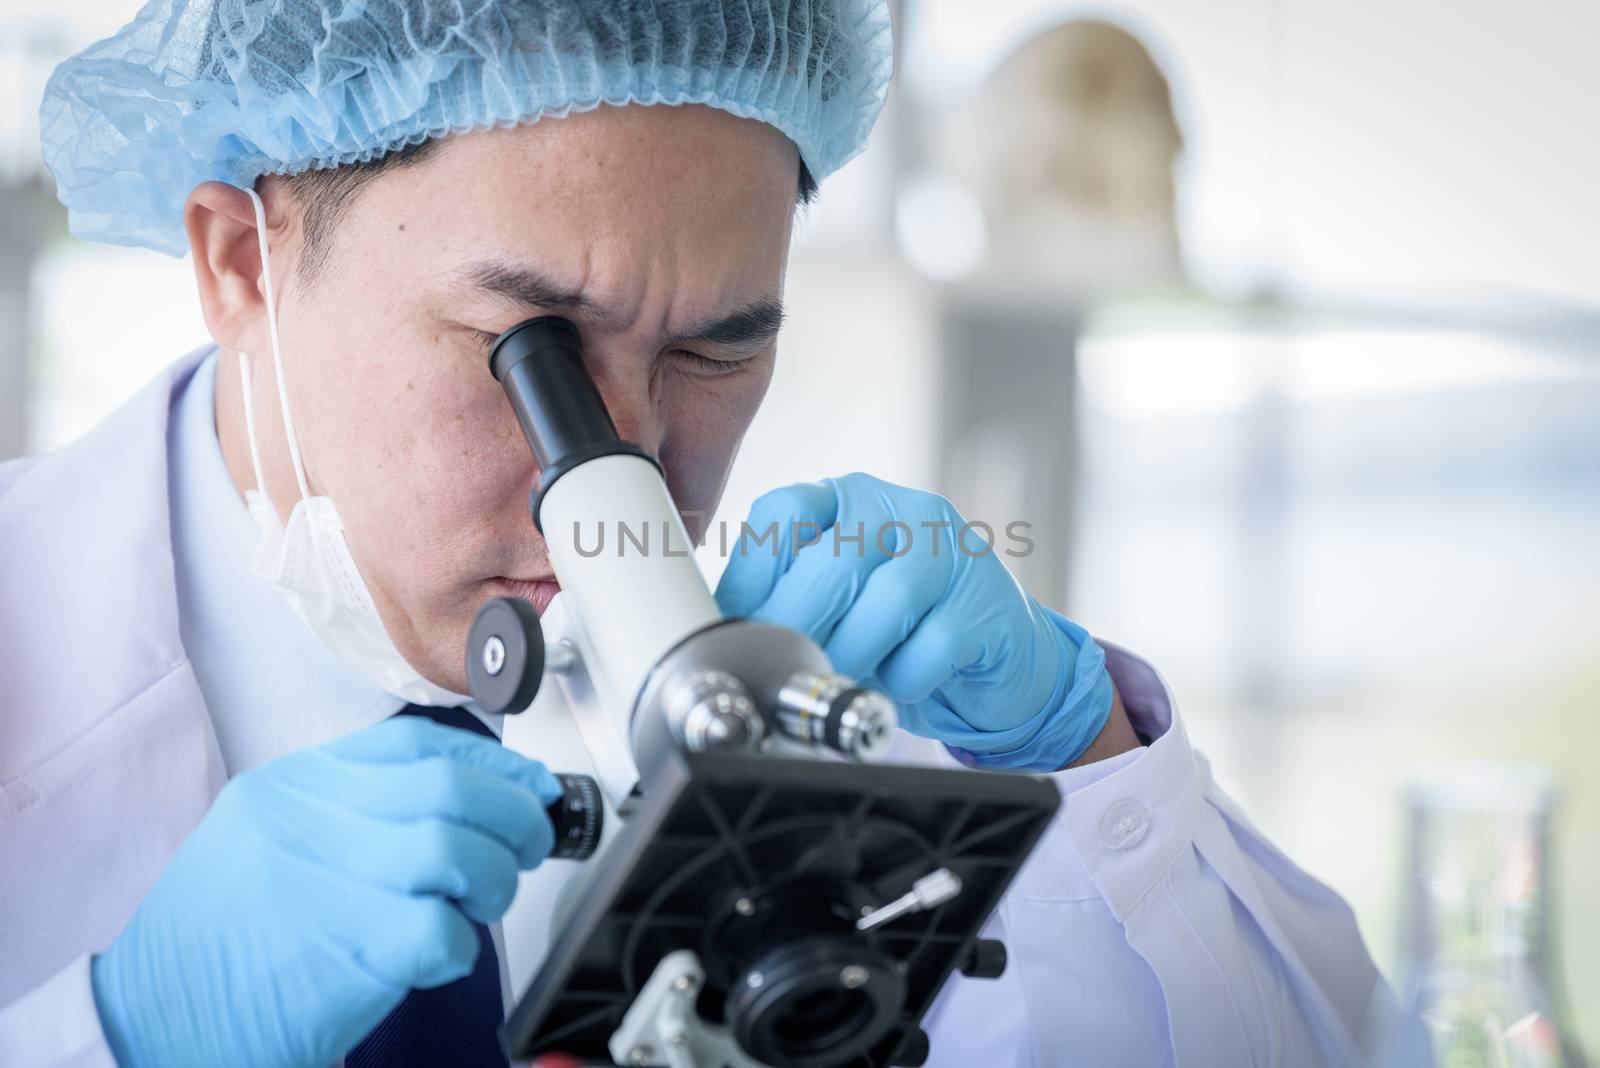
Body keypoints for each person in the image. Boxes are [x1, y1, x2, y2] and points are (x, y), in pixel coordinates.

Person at [0, 2, 1392, 1065]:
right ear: (241, 259)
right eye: (523, 347)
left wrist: (1081, 759)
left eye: (716, 355)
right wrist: (111, 1033)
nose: (620, 468)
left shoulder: (811, 695)